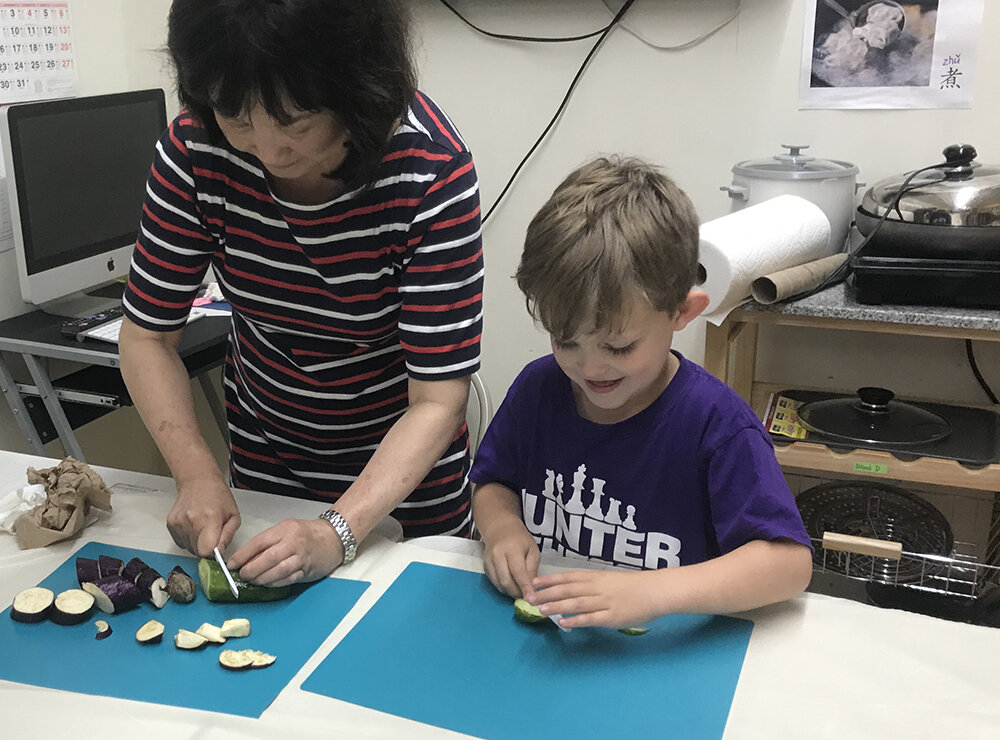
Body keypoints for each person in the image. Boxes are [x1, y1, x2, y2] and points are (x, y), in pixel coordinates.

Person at [118, 0, 483, 586]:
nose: (266, 150)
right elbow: (146, 338)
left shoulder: (427, 169)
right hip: (267, 464)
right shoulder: (195, 147)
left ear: (356, 86)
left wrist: (340, 529)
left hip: (403, 489)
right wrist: (197, 476)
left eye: (295, 122)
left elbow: (439, 400)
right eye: (235, 116)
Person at [470, 156, 813, 630]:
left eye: (619, 346)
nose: (589, 367)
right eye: (565, 340)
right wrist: (502, 529)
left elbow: (788, 565)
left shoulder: (717, 425)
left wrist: (651, 592)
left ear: (682, 313)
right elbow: (493, 481)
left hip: (667, 653)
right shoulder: (539, 389)